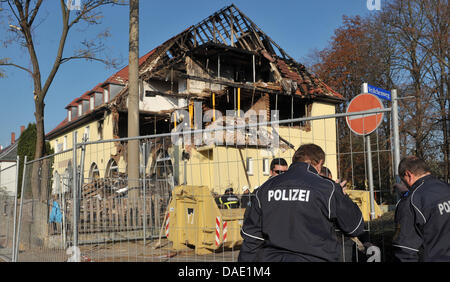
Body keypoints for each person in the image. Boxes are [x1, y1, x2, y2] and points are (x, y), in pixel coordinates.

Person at [238, 143, 364, 262]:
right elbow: (355, 227)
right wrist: (343, 196)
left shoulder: (264, 188)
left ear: (294, 161)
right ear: (319, 164)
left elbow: (252, 238)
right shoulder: (327, 188)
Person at [392, 156, 450, 262]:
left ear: (408, 174)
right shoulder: (446, 187)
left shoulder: (410, 202)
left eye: (402, 180)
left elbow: (405, 251)